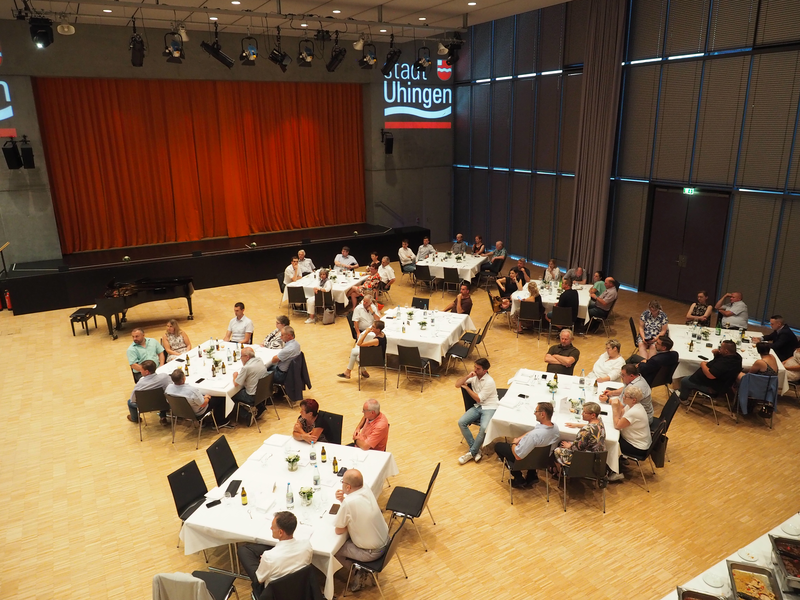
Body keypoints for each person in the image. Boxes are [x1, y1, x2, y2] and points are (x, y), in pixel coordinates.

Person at [333, 469, 389, 592]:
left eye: (342, 481)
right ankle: (359, 570)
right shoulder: (366, 489)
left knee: (334, 550)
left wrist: (344, 504)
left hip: (372, 552)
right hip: (386, 543)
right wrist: (343, 501)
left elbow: (339, 530)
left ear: (348, 486)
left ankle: (358, 572)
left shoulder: (349, 502)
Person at [237, 511, 313, 599]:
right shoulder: (307, 546)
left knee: (243, 551)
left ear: (281, 532)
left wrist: (263, 562)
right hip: (299, 588)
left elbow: (259, 579)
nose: (270, 528)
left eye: (272, 527)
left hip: (275, 594)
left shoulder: (269, 557)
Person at [494, 402, 560, 488]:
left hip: (524, 458)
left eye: (536, 411)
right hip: (540, 459)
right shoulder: (555, 428)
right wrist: (520, 438)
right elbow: (534, 431)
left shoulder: (533, 436)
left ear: (542, 414)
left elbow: (518, 456)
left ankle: (518, 478)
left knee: (498, 446)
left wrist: (514, 443)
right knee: (534, 450)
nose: (534, 413)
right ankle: (532, 475)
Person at [456, 358, 499, 465]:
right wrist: (467, 377)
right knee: (461, 422)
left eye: (478, 368)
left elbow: (479, 398)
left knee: (484, 428)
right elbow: (457, 384)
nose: (475, 370)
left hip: (490, 407)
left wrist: (467, 388)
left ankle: (471, 453)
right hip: (478, 406)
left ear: (485, 371)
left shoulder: (489, 381)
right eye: (475, 367)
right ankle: (475, 450)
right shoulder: (474, 377)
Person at [607, 386, 652, 482]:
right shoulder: (632, 406)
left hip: (637, 447)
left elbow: (617, 425)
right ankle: (617, 462)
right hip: (637, 440)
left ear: (634, 400)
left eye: (625, 396)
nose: (623, 397)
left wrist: (615, 407)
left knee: (610, 443)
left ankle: (615, 472)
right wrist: (618, 405)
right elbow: (621, 413)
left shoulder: (634, 412)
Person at [678, 339, 743, 404]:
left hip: (713, 388)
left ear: (726, 351)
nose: (719, 349)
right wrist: (717, 354)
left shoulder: (725, 363)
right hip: (722, 384)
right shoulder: (737, 358)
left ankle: (683, 400)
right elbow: (719, 367)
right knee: (689, 378)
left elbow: (710, 375)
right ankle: (684, 391)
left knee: (684, 381)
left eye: (721, 348)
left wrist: (703, 365)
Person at [167, 368, 232, 427]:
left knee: (201, 396)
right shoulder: (191, 391)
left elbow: (168, 401)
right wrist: (207, 398)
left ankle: (203, 422)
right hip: (197, 413)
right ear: (184, 378)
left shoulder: (168, 389)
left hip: (179, 411)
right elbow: (203, 404)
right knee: (221, 398)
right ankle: (220, 421)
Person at [555, 401, 606, 476]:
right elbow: (591, 426)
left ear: (593, 415)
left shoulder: (585, 430)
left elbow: (576, 449)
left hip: (584, 459)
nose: (582, 414)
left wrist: (569, 446)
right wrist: (577, 425)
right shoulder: (600, 422)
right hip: (597, 457)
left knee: (558, 449)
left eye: (584, 412)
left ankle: (564, 474)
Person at [126, 359, 171, 424]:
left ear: (147, 372)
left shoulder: (140, 384)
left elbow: (133, 399)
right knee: (161, 396)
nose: (140, 371)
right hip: (164, 403)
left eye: (141, 369)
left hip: (146, 406)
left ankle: (135, 418)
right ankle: (163, 416)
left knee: (130, 402)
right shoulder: (165, 377)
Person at [231, 346, 268, 415]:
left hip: (252, 396)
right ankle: (260, 408)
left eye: (241, 356)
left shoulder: (246, 368)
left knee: (231, 396)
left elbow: (236, 383)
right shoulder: (259, 360)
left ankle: (247, 416)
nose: (240, 358)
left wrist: (235, 376)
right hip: (263, 392)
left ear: (247, 357)